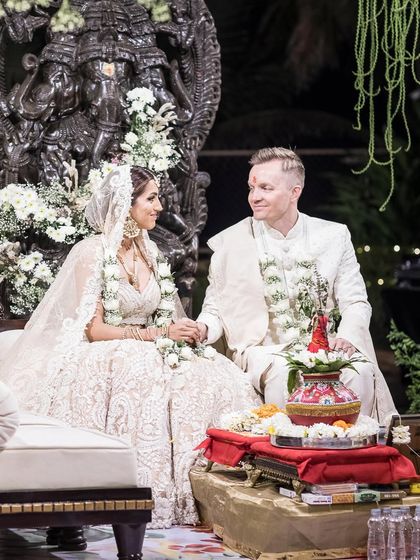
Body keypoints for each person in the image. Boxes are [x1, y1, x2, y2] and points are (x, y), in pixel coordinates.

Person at [0, 164, 259, 528]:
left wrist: (180, 329)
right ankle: (136, 493)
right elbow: (95, 330)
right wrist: (154, 336)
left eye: (159, 199)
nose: (159, 207)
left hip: (153, 343)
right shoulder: (92, 252)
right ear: (126, 203)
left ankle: (215, 489)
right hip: (109, 347)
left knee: (214, 373)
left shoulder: (149, 250)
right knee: (139, 374)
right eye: (151, 199)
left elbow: (162, 312)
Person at [196, 147, 396, 423]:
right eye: (252, 187)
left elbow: (355, 302)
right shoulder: (231, 242)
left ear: (295, 192)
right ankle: (286, 459)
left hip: (325, 348)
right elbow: (215, 306)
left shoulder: (333, 236)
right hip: (263, 350)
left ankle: (352, 455)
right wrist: (203, 327)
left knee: (359, 370)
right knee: (284, 371)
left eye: (266, 188)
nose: (255, 197)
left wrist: (347, 337)